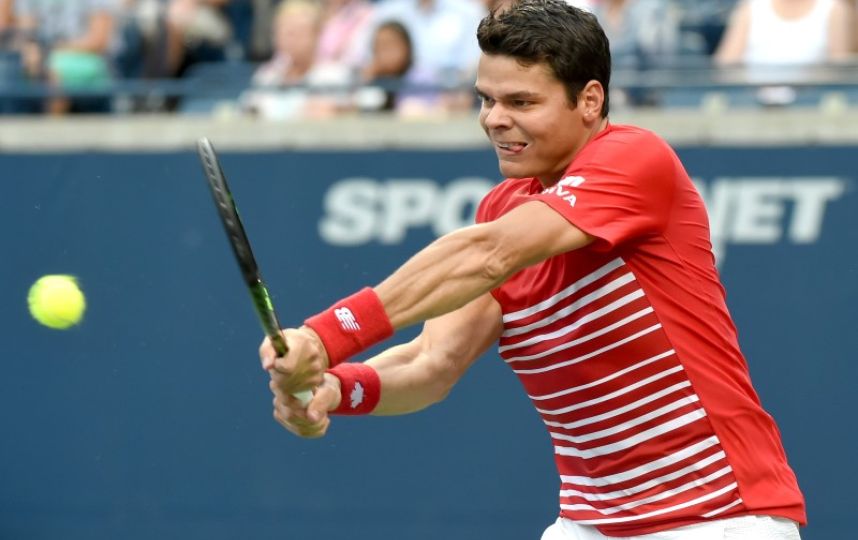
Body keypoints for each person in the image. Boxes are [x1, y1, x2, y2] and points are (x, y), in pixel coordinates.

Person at [260, 1, 806, 538]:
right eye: (487, 99)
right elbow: (432, 363)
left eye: (521, 101)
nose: (496, 119)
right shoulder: (500, 209)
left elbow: (487, 255)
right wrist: (337, 387)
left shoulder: (635, 159)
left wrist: (327, 335)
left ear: (589, 100)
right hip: (588, 523)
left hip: (722, 516)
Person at [714, 0, 853, 66]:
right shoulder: (750, 8)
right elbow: (725, 65)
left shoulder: (834, 8)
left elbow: (839, 69)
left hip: (810, 107)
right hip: (753, 105)